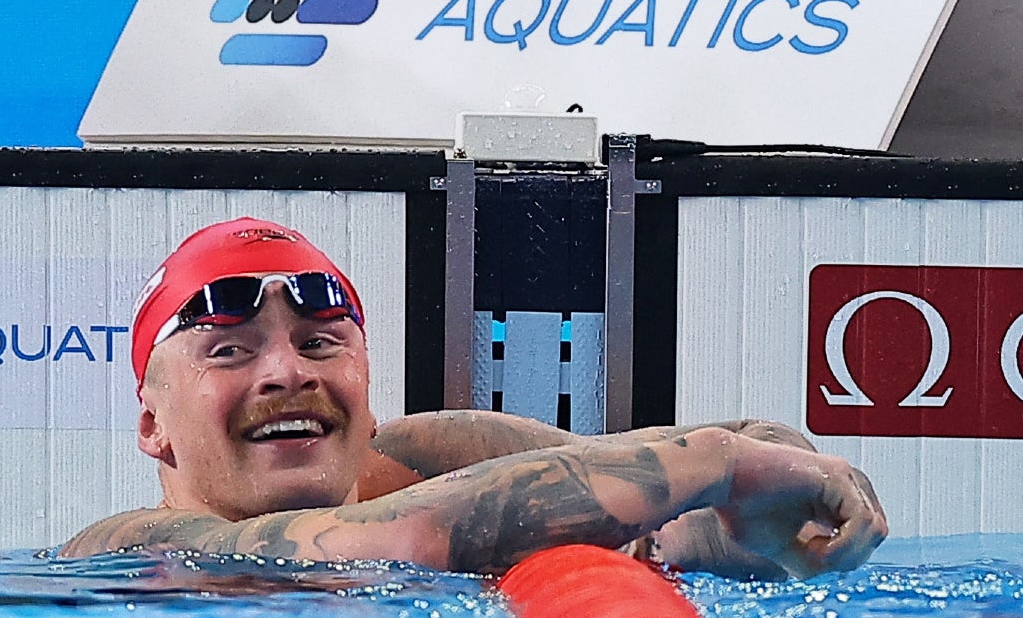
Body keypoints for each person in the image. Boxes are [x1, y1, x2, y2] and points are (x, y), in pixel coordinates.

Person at [60, 217, 888, 578]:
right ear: (152, 427)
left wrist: (752, 533)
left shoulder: (437, 456)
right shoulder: (132, 548)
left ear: (367, 395)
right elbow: (386, 544)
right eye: (231, 352)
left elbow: (714, 477)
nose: (287, 372)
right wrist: (722, 466)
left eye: (320, 343)